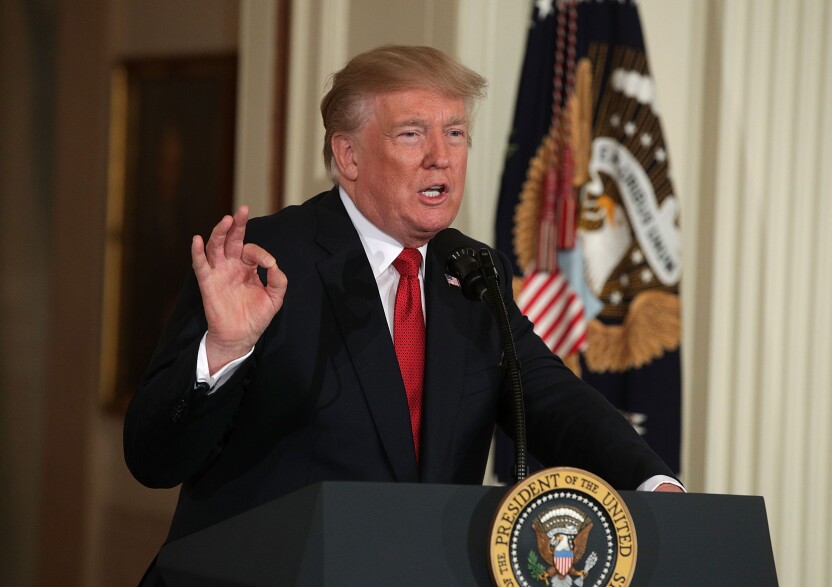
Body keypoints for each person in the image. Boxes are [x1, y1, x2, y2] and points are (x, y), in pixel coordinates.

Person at [125, 44, 681, 557]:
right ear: (349, 156)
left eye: (456, 133)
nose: (441, 157)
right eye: (412, 134)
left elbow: (549, 395)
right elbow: (154, 459)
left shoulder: (474, 270)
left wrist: (652, 482)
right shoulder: (262, 263)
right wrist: (223, 349)